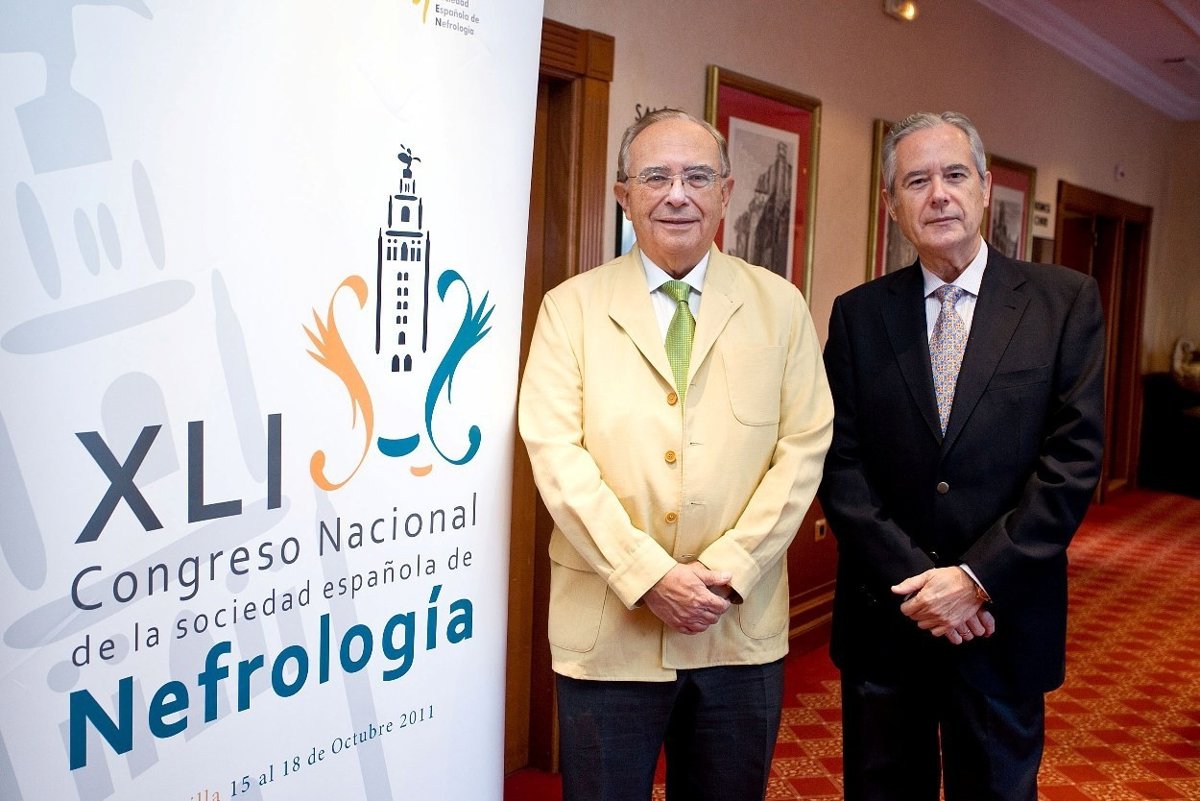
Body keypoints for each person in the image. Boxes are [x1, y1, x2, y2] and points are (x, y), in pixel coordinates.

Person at [518, 108, 833, 801]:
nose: (677, 195)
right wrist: (649, 575)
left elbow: (804, 446)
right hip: (609, 633)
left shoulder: (780, 307)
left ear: (726, 192)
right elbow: (556, 456)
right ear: (623, 195)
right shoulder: (569, 308)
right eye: (655, 177)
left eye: (697, 177)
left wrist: (730, 569)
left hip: (737, 626)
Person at [819, 111, 1105, 801]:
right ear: (892, 205)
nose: (938, 194)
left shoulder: (1063, 302)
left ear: (984, 188)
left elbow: (1071, 464)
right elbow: (840, 465)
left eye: (954, 175)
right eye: (916, 181)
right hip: (890, 617)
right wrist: (925, 585)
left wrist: (976, 579)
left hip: (1002, 619)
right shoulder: (858, 315)